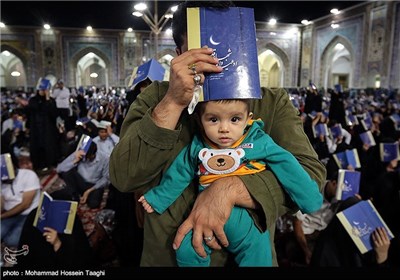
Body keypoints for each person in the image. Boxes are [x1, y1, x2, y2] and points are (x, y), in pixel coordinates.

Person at [109, 1, 326, 267]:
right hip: (169, 257)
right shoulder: (155, 99)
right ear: (179, 54)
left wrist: (230, 189)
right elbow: (124, 176)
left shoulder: (269, 103)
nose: (217, 61)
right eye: (202, 52)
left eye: (227, 47)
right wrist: (173, 102)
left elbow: (311, 179)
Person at [139, 98, 323, 266]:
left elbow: (286, 163)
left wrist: (309, 197)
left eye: (235, 119)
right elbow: (180, 172)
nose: (224, 128)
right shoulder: (198, 145)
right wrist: (158, 197)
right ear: (200, 119)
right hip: (206, 218)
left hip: (247, 220)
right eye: (213, 120)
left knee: (258, 253)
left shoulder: (257, 140)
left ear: (248, 118)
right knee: (187, 248)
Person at [16, 190, 97, 268]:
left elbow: (81, 257)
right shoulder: (34, 217)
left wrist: (57, 244)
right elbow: (25, 256)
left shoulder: (72, 221)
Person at [1, 153, 41, 249]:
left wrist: (2, 216)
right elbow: (1, 203)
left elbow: (25, 205)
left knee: (11, 240)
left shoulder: (29, 175)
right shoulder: (2, 180)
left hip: (29, 213)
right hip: (9, 214)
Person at [56, 141, 110, 209]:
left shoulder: (104, 158)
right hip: (79, 180)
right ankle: (74, 194)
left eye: (87, 156)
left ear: (94, 154)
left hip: (93, 185)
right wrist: (74, 161)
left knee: (94, 204)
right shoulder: (80, 153)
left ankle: (81, 194)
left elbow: (106, 179)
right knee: (66, 171)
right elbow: (59, 169)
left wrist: (88, 191)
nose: (85, 158)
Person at [26, 79, 60, 173]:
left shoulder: (51, 101)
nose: (43, 92)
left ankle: (49, 165)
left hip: (48, 129)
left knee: (48, 147)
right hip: (36, 129)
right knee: (37, 147)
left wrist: (48, 99)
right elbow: (34, 110)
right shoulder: (33, 100)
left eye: (45, 90)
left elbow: (54, 114)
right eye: (42, 90)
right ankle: (38, 166)